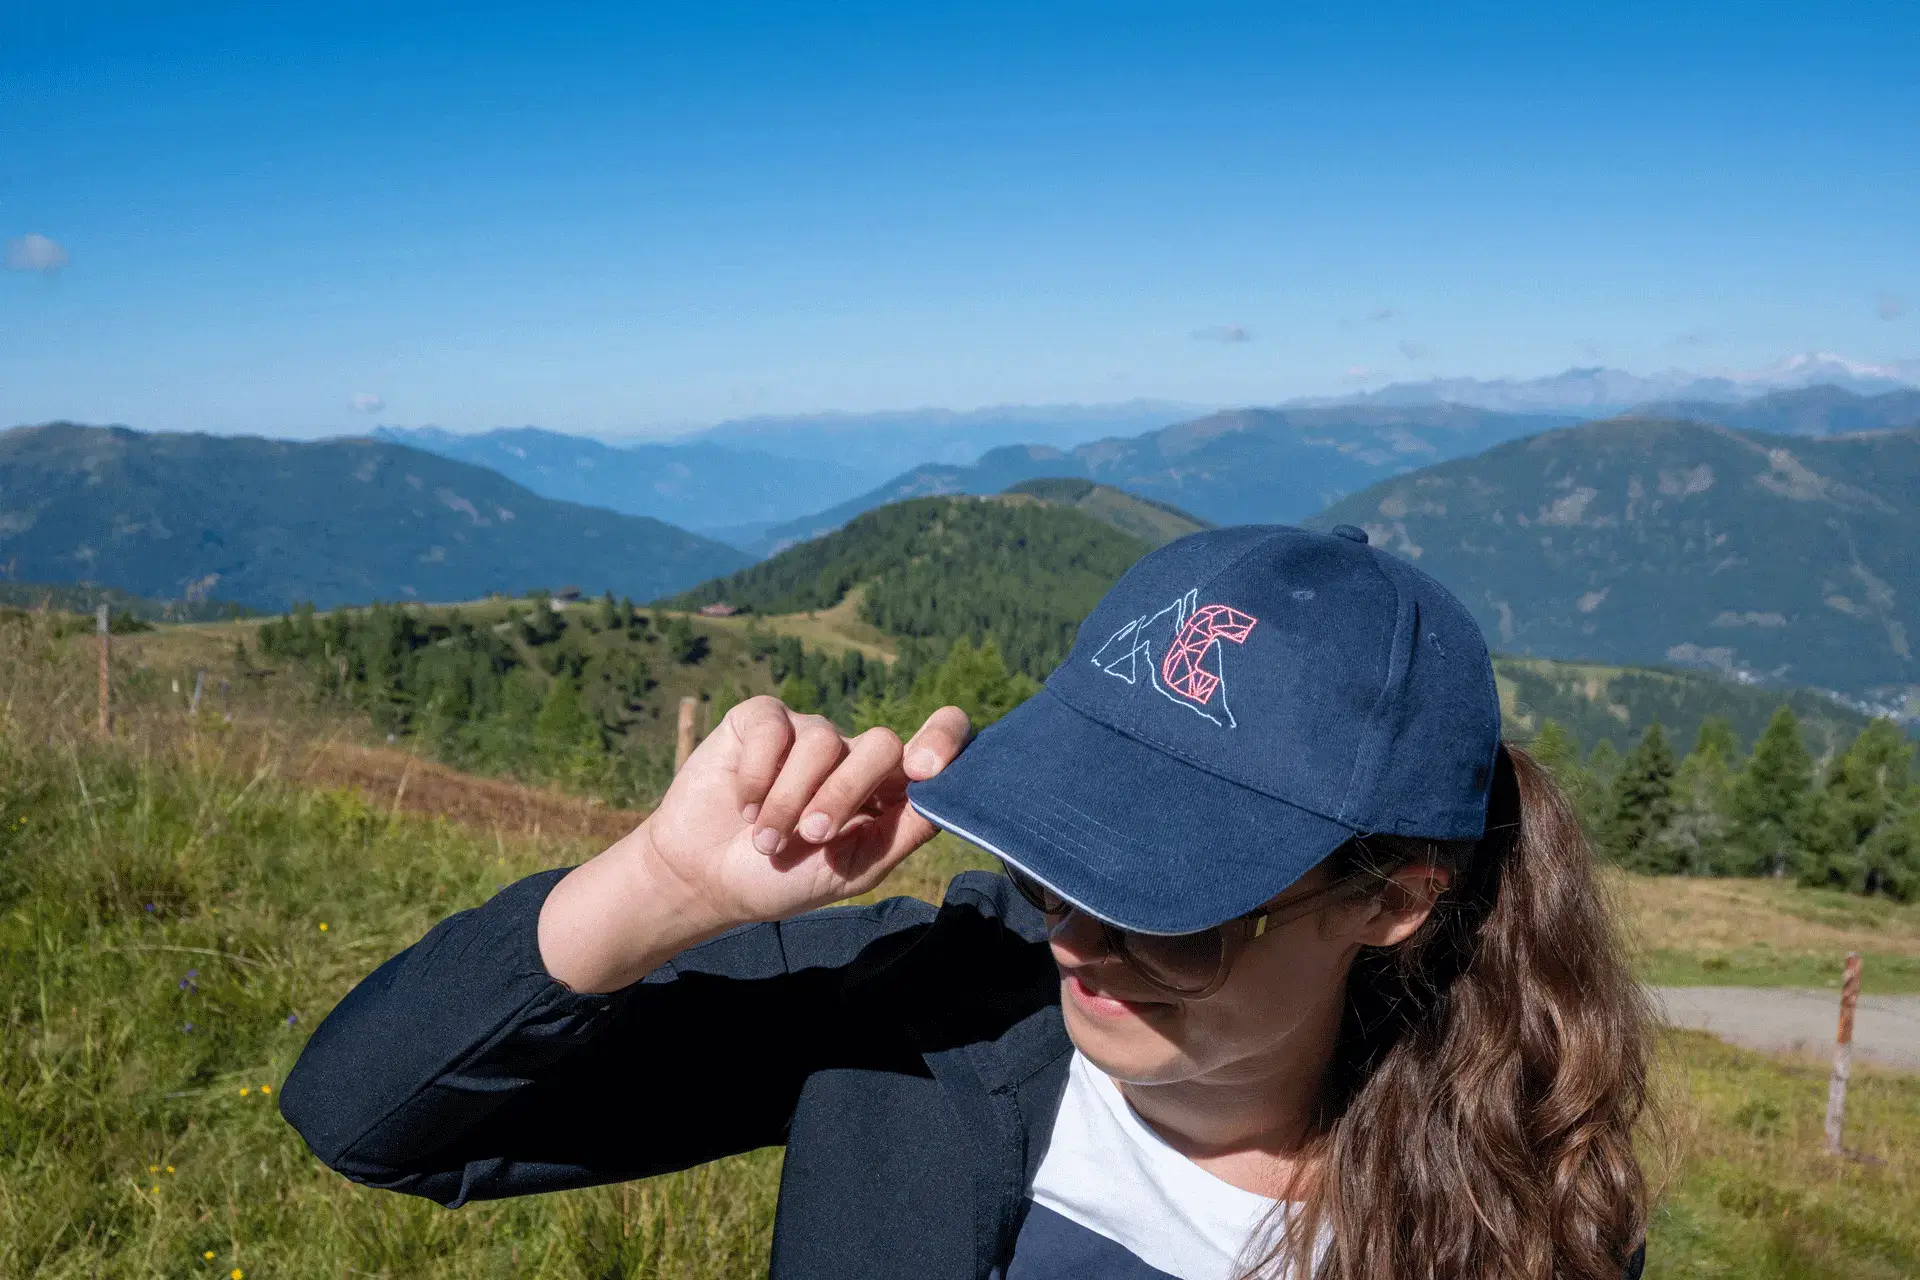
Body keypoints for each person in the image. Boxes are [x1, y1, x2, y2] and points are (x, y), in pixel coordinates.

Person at [282, 524, 1652, 1280]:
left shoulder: (1527, 1222)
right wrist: (662, 887)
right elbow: (370, 1121)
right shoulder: (923, 1019)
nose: (1075, 934)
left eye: (1167, 899)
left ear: (1394, 903)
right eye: (1057, 853)